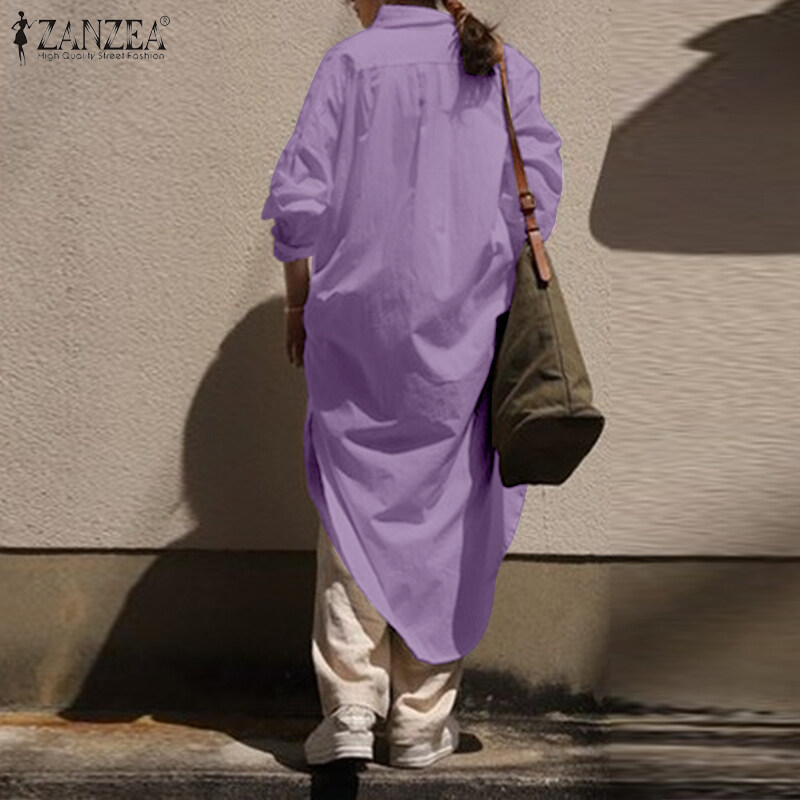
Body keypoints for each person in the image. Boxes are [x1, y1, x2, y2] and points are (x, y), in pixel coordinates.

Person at [261, 0, 562, 769]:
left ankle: (352, 707)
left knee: (353, 504)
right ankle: (422, 721)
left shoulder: (351, 63)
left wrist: (297, 300)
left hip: (357, 328)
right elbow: (537, 198)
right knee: (450, 509)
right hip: (466, 329)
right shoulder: (501, 67)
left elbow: (298, 204)